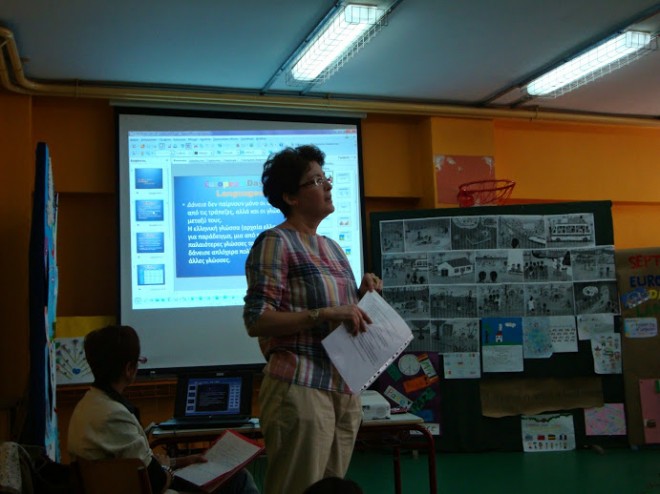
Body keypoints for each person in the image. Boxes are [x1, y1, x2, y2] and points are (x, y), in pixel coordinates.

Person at [243, 145, 383, 494]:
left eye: (326, 177)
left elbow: (343, 316)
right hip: (301, 387)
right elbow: (257, 320)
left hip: (343, 388)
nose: (328, 185)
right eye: (316, 180)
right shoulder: (275, 242)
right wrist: (326, 313)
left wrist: (362, 295)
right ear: (290, 196)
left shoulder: (333, 247)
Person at [67, 325, 259, 494]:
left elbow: (136, 464)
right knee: (239, 480)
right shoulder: (112, 415)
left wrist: (179, 462)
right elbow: (155, 482)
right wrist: (167, 468)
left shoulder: (88, 404)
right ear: (129, 369)